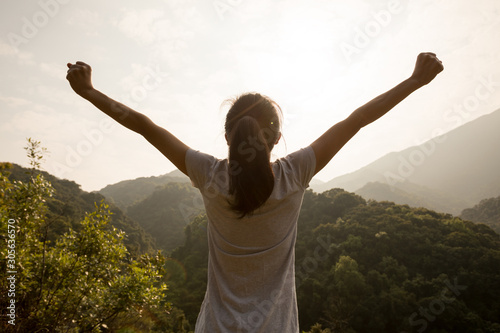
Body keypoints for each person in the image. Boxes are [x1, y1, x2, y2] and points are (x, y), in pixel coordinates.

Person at [66, 52, 444, 332]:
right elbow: (356, 120)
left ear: (228, 136)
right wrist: (414, 81)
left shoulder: (209, 176)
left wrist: (88, 92)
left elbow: (146, 127)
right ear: (277, 139)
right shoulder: (295, 173)